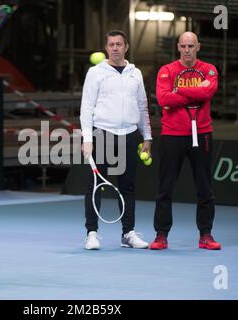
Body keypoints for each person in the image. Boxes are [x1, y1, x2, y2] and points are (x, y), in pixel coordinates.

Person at [80, 30, 152, 250]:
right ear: (106, 47)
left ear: (126, 47)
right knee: (94, 186)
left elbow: (142, 107)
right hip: (101, 134)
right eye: (111, 44)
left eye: (119, 44)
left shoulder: (135, 73)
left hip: (129, 136)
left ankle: (128, 233)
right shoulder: (95, 72)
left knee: (127, 187)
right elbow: (87, 106)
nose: (115, 48)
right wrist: (87, 137)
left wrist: (147, 136)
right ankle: (92, 233)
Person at [150, 32, 221, 250]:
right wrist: (195, 93)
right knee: (165, 188)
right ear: (178, 47)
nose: (187, 50)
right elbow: (163, 99)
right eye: (183, 46)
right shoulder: (166, 70)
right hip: (172, 135)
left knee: (204, 188)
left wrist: (178, 90)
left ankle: (206, 235)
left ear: (198, 46)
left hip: (202, 133)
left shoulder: (209, 69)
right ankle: (161, 235)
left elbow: (208, 92)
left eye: (191, 46)